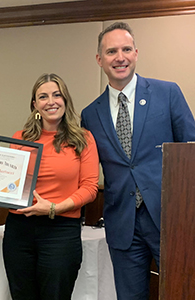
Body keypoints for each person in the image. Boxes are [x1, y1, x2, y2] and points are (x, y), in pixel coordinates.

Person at [81, 22, 195, 300]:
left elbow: (192, 153)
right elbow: (84, 168)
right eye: (111, 51)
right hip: (122, 225)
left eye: (126, 49)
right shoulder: (90, 114)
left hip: (170, 219)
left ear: (136, 53)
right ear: (99, 59)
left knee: (181, 293)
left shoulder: (167, 94)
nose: (120, 57)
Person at [2, 73, 99, 300]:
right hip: (19, 229)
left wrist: (54, 207)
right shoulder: (20, 139)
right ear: (35, 105)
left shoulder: (83, 139)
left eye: (57, 95)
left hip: (60, 231)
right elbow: (7, 184)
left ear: (65, 100)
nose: (51, 101)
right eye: (43, 97)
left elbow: (90, 187)